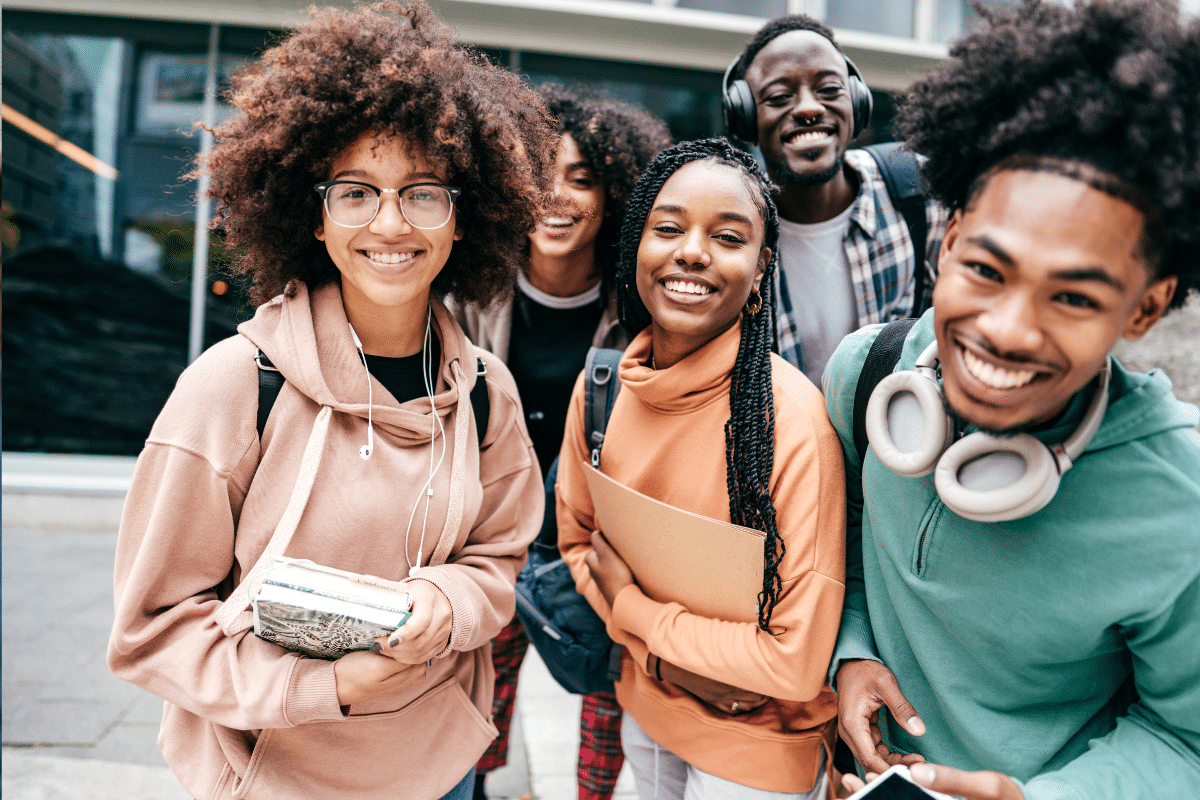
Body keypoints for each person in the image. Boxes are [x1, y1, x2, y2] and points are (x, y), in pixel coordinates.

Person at [106, 4, 554, 799]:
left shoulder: (487, 391)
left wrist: (443, 601)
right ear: (314, 216)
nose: (389, 222)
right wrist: (330, 689)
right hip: (270, 774)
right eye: (356, 192)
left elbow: (498, 559)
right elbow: (153, 630)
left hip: (434, 768)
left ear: (464, 217)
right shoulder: (235, 384)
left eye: (423, 192)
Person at [822, 2, 1200, 798]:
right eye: (988, 271)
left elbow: (1188, 739)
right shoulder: (865, 373)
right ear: (949, 240)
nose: (1007, 331)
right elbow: (845, 540)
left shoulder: (1182, 499)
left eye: (1073, 298)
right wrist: (851, 648)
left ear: (1145, 309)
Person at [557, 138, 847, 799]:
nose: (692, 250)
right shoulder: (603, 389)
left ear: (760, 265)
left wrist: (636, 615)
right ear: (635, 244)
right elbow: (578, 543)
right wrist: (663, 659)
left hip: (757, 756)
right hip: (646, 709)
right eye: (668, 228)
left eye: (727, 236)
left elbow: (795, 665)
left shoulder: (791, 425)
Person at [450, 83, 670, 800]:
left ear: (614, 198)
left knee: (605, 703)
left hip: (597, 539)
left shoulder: (638, 302)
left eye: (582, 178)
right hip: (494, 533)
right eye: (540, 173)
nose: (558, 194)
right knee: (476, 701)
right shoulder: (469, 292)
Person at [725, 14, 950, 383]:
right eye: (780, 97)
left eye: (829, 90)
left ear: (857, 101)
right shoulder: (732, 230)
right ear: (746, 118)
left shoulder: (923, 193)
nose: (810, 109)